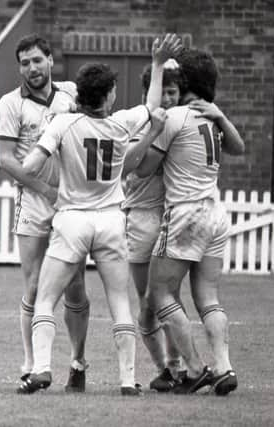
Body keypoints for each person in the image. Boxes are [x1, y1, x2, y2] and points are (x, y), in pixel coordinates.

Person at [18, 34, 182, 395]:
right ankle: (127, 380)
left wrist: (41, 153)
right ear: (109, 95)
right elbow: (152, 105)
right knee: (121, 302)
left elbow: (29, 166)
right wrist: (156, 65)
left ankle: (42, 368)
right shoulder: (122, 122)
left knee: (45, 298)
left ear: (79, 96)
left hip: (73, 219)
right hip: (110, 221)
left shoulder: (63, 123)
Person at [136, 49, 245, 395]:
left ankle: (196, 369)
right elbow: (238, 148)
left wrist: (150, 132)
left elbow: (142, 168)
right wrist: (222, 116)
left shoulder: (176, 117)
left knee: (159, 294)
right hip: (215, 214)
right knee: (208, 298)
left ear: (185, 82)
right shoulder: (211, 116)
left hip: (185, 215)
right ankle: (225, 368)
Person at [0, 34, 90, 392]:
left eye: (37, 60)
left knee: (76, 287)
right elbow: (6, 160)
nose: (31, 68)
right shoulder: (9, 104)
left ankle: (78, 363)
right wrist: (45, 189)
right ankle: (32, 364)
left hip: (71, 203)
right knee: (35, 286)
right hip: (34, 203)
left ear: (50, 60)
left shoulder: (71, 94)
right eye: (24, 63)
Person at [121, 62, 185, 392]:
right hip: (143, 218)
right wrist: (153, 133)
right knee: (147, 305)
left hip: (174, 218)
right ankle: (165, 368)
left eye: (174, 93)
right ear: (149, 94)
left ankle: (175, 368)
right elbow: (132, 167)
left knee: (168, 299)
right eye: (164, 92)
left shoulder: (183, 124)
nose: (169, 99)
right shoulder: (138, 120)